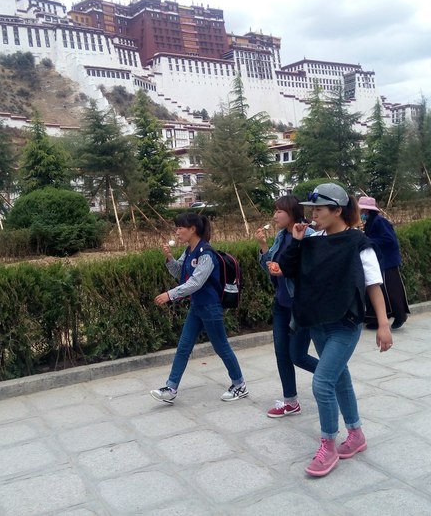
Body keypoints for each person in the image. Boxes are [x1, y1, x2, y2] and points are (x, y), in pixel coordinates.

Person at [278, 183, 393, 477]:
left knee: (322, 383)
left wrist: (383, 324)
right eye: (312, 209)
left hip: (345, 323)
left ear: (337, 210)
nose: (313, 214)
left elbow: (374, 286)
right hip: (317, 323)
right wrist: (297, 241)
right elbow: (286, 268)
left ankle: (328, 445)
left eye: (318, 209)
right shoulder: (311, 241)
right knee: (340, 378)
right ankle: (356, 434)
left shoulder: (359, 243)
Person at [151, 213, 248, 404]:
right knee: (183, 347)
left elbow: (196, 282)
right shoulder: (189, 251)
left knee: (221, 347)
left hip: (211, 307)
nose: (177, 232)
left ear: (192, 229)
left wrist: (170, 294)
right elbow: (180, 272)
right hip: (197, 307)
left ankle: (239, 385)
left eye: (180, 228)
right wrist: (169, 258)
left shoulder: (206, 254)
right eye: (177, 227)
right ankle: (171, 388)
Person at [255, 195, 318, 418]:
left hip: (300, 306)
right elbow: (271, 267)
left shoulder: (308, 236)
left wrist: (287, 270)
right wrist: (263, 246)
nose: (275, 216)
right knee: (282, 354)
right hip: (281, 304)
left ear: (292, 212)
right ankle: (290, 403)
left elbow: (314, 271)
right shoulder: (282, 236)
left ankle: (334, 375)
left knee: (297, 356)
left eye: (279, 211)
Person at [358, 196, 410, 330]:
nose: (360, 213)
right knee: (378, 290)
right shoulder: (370, 222)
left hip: (388, 260)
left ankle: (400, 315)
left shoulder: (380, 221)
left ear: (367, 210)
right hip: (379, 260)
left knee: (392, 290)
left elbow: (389, 239)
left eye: (362, 210)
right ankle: (375, 319)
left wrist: (369, 240)